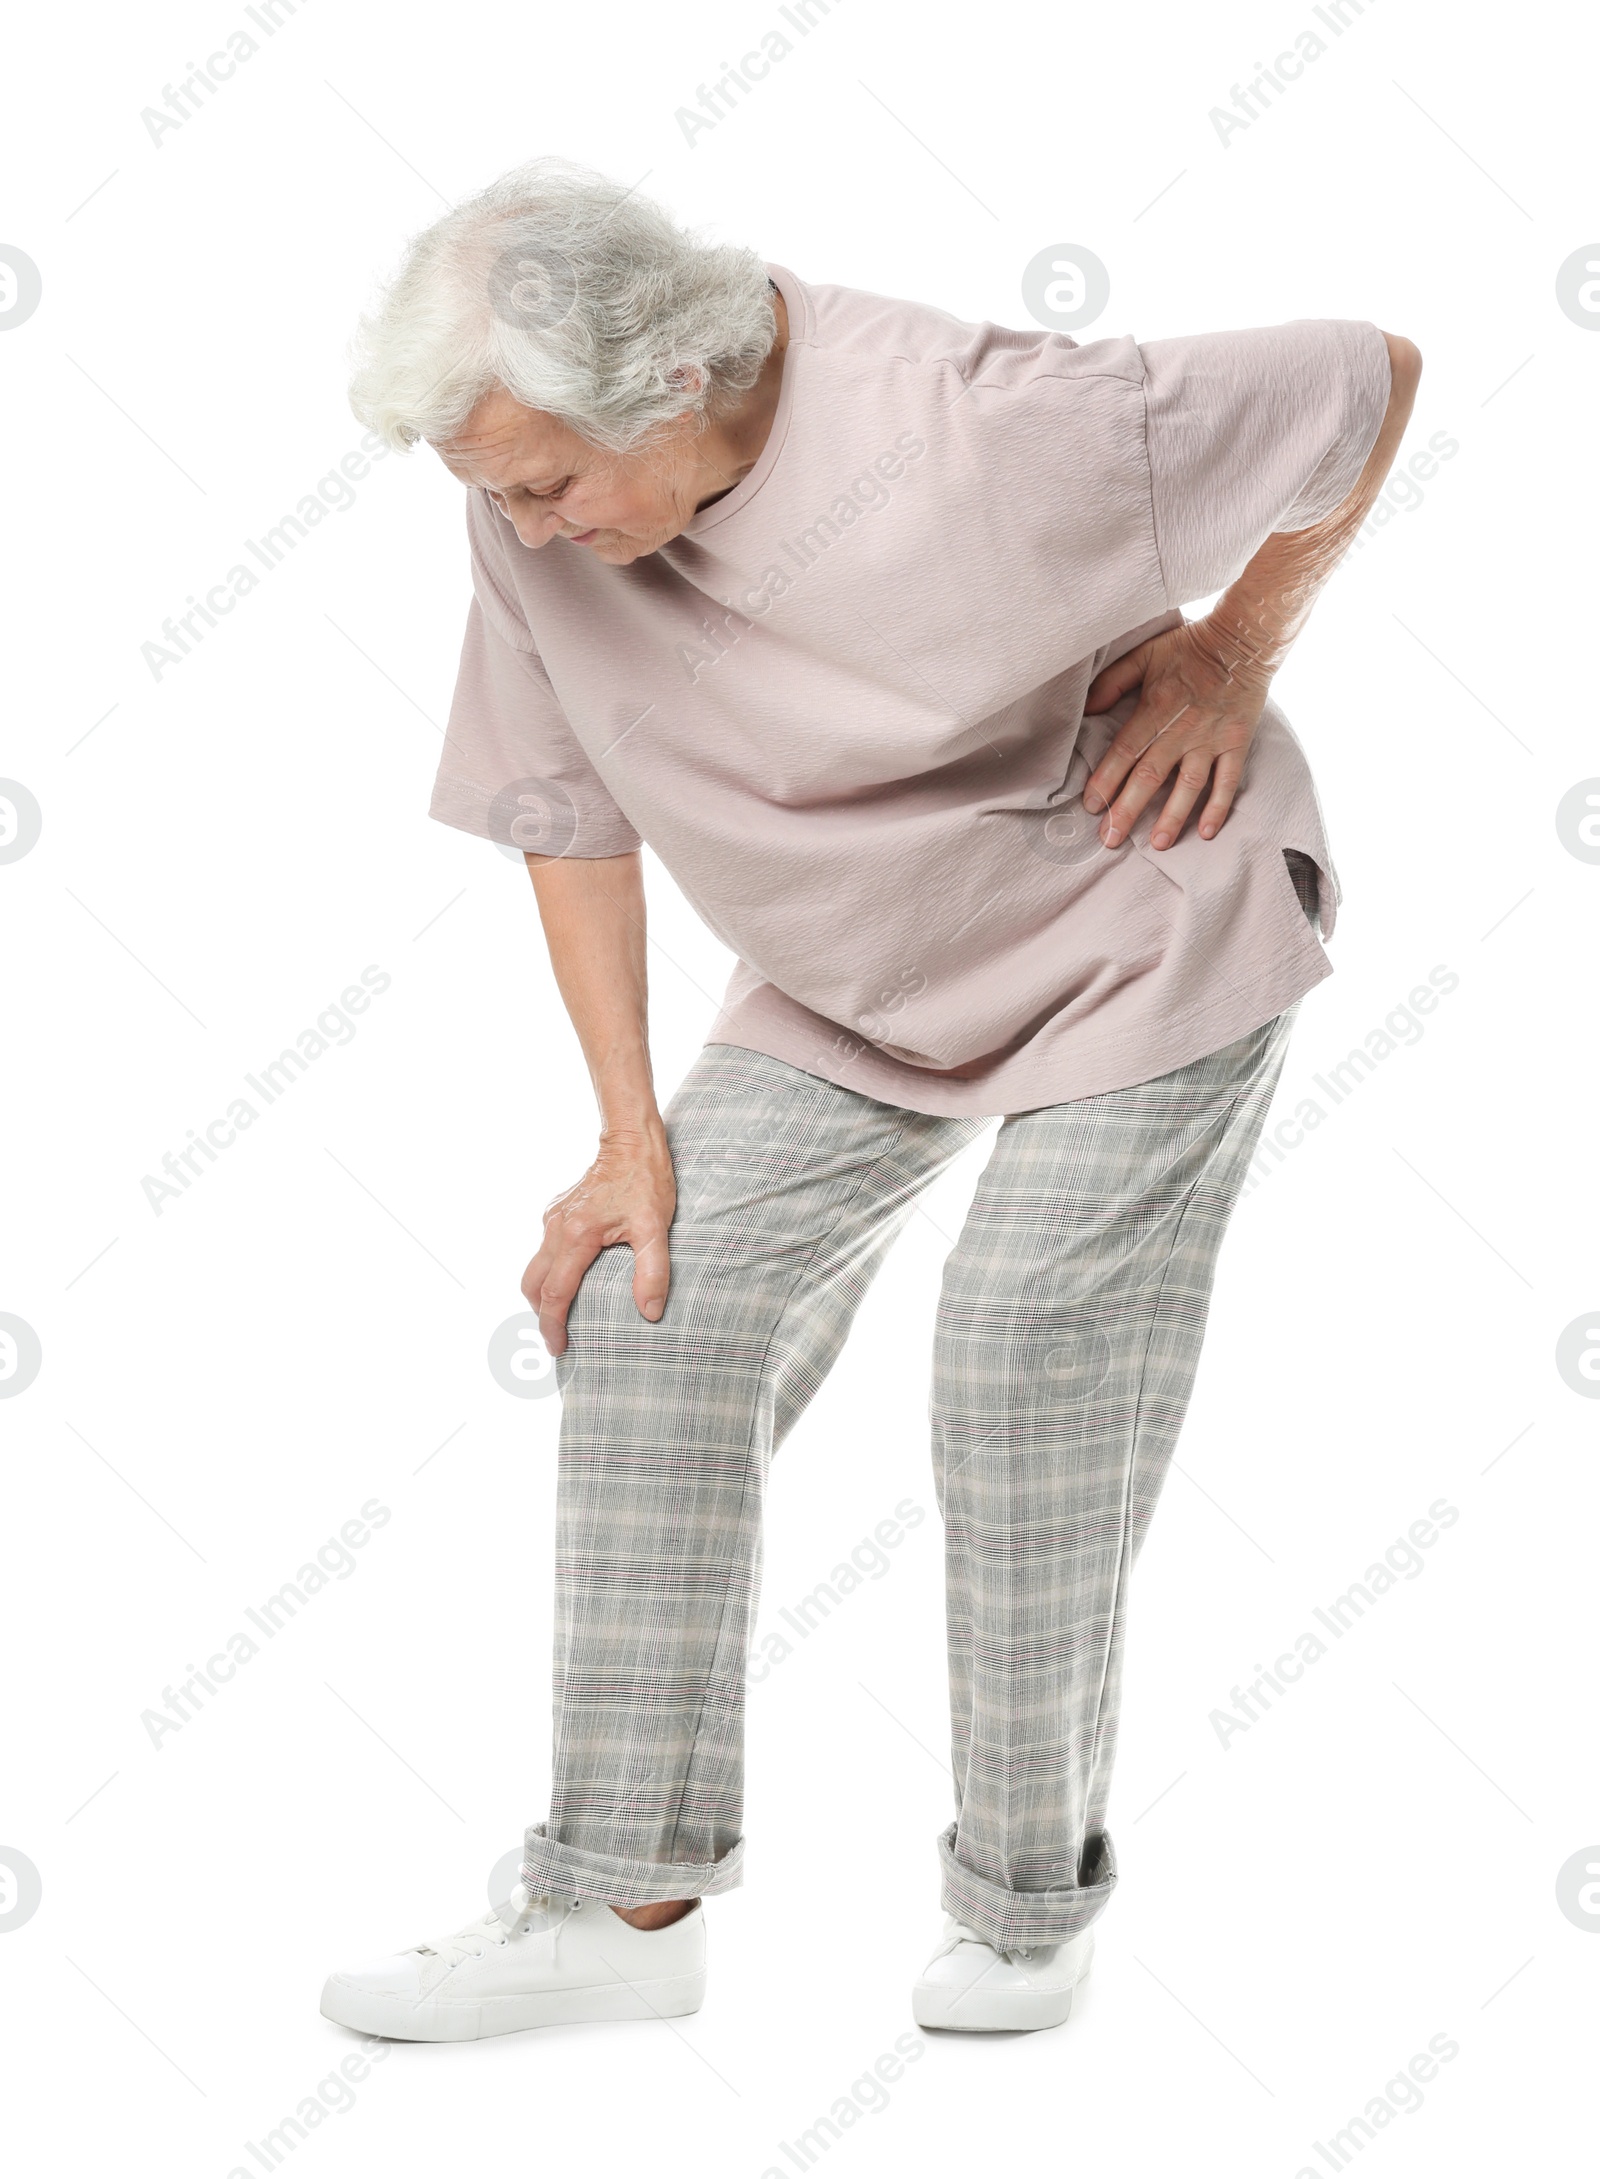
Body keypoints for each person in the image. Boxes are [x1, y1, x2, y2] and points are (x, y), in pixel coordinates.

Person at [320, 156, 1421, 2040]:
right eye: (495, 488)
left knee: (1016, 1354)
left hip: (1136, 921)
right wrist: (627, 1142)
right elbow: (566, 811)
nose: (524, 521)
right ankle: (622, 1902)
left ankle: (1020, 1907)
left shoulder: (1002, 428)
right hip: (856, 970)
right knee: (649, 1303)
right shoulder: (531, 520)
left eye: (543, 481)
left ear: (669, 382)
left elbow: (1369, 375)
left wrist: (1236, 650)